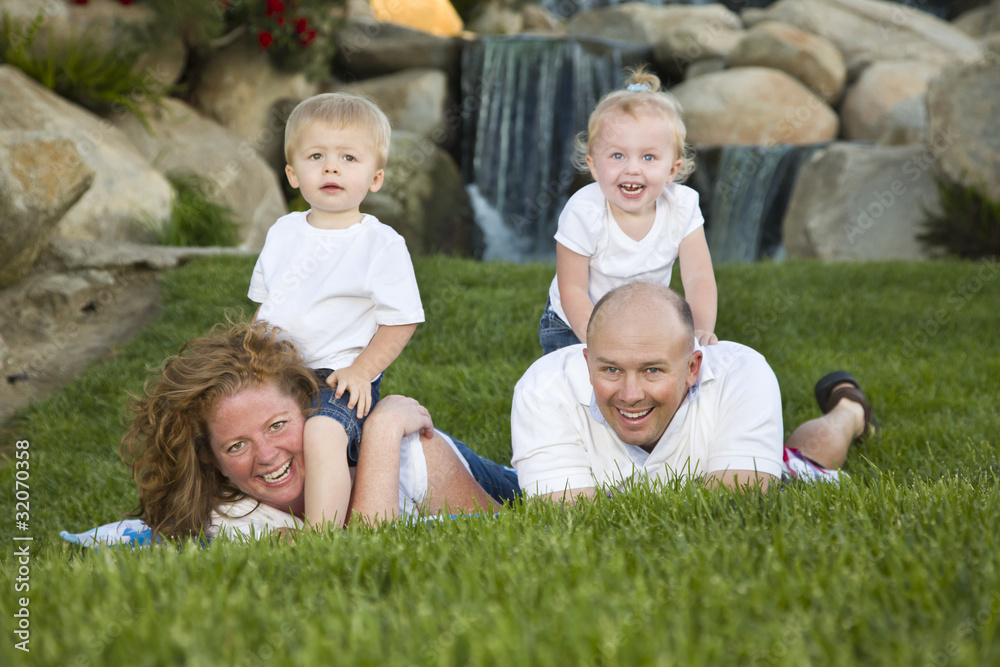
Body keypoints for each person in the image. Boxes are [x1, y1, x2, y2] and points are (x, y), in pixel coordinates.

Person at [119, 321, 519, 542]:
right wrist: (382, 430)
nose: (267, 456)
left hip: (507, 483)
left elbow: (505, 539)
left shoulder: (413, 455)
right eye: (237, 445)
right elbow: (348, 566)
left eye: (278, 425)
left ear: (311, 410)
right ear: (213, 460)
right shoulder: (230, 519)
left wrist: (382, 436)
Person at [513, 282, 877, 501]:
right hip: (704, 462)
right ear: (587, 361)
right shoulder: (543, 390)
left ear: (692, 368)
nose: (630, 394)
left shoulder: (743, 376)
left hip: (744, 453)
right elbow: (569, 524)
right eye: (611, 369)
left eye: (652, 370)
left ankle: (849, 410)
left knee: (800, 460)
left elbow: (733, 509)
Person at [249, 93, 425, 529]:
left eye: (348, 158)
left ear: (375, 177)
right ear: (293, 174)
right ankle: (242, 515)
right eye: (316, 156)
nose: (331, 168)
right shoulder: (283, 231)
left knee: (322, 431)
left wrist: (362, 370)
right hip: (275, 369)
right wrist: (246, 358)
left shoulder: (379, 243)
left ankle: (322, 536)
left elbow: (402, 319)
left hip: (338, 376)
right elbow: (266, 308)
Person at [538, 66, 718, 355]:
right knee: (583, 382)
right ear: (594, 166)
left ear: (672, 170)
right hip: (575, 324)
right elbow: (573, 289)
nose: (632, 168)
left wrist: (699, 329)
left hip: (644, 324)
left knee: (651, 380)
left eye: (648, 157)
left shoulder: (681, 207)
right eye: (617, 155)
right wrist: (600, 344)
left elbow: (699, 277)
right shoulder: (584, 212)